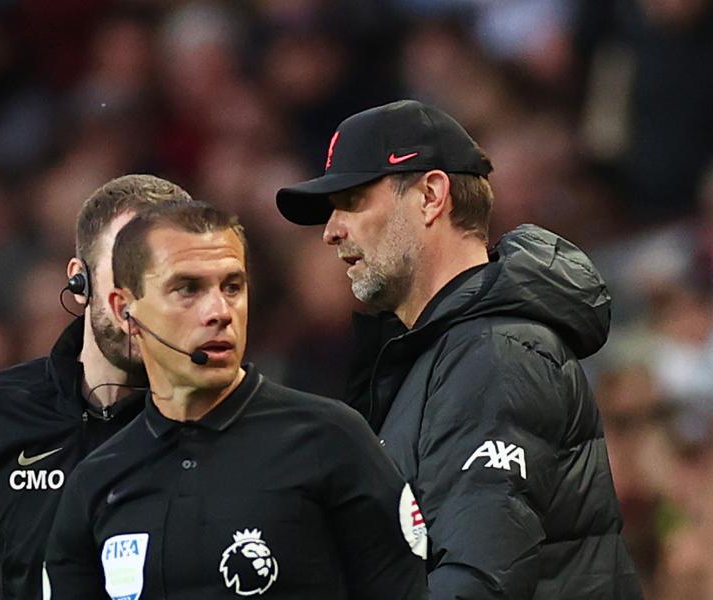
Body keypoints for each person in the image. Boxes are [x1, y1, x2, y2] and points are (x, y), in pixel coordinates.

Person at [275, 99, 644, 598]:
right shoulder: (436, 355)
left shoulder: (493, 353)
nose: (331, 231)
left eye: (353, 200)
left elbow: (477, 579)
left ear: (430, 196)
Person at [46, 200, 428, 599]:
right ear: (125, 310)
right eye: (188, 288)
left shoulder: (332, 441)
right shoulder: (97, 483)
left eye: (232, 287)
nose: (220, 311)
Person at [0, 174, 192, 599]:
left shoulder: (220, 424)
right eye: (128, 269)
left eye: (170, 278)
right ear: (80, 281)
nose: (145, 300)